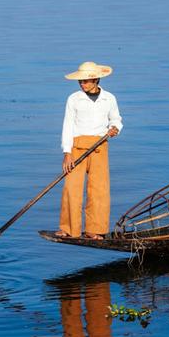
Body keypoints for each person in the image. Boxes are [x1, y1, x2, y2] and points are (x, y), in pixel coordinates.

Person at [58, 61, 123, 239]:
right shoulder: (74, 99)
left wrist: (115, 128)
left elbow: (116, 119)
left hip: (99, 147)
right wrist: (67, 153)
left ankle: (95, 230)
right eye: (80, 81)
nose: (82, 84)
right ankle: (69, 228)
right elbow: (68, 125)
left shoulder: (109, 98)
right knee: (71, 188)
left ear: (96, 79)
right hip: (77, 147)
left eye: (86, 81)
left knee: (99, 190)